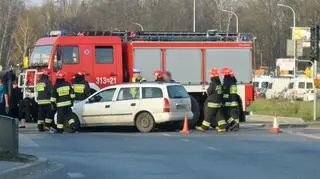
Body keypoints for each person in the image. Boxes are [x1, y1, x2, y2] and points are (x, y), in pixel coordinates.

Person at [195, 68, 226, 132]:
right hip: (218, 102)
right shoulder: (219, 83)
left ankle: (204, 127)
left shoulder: (213, 83)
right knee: (219, 115)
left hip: (212, 102)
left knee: (208, 115)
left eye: (211, 75)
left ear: (213, 76)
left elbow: (209, 91)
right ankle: (223, 127)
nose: (210, 76)